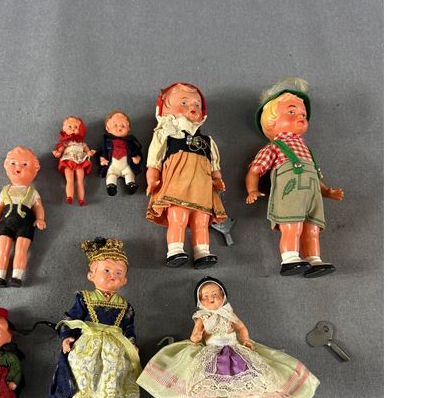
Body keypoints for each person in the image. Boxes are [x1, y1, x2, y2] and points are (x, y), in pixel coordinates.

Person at [137, 277, 319, 398]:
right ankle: (217, 396)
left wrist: (246, 339)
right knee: (209, 371)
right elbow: (195, 335)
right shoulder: (202, 317)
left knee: (246, 368)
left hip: (234, 347)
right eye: (205, 296)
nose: (211, 299)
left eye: (215, 295)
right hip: (212, 349)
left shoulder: (229, 314)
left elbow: (241, 327)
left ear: (223, 296)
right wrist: (195, 338)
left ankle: (243, 394)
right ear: (200, 301)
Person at [245, 77, 344, 277]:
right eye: (291, 112)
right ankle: (290, 259)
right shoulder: (275, 147)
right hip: (290, 194)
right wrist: (252, 189)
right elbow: (255, 170)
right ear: (272, 121)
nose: (300, 116)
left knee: (312, 228)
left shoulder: (306, 149)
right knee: (292, 226)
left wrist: (326, 191)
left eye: (303, 114)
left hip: (312, 195)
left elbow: (315, 174)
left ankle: (314, 260)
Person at [48, 237, 141, 398]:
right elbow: (72, 318)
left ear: (124, 280)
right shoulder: (84, 298)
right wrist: (67, 336)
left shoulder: (125, 306)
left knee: (112, 378)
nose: (112, 276)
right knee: (81, 374)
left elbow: (128, 327)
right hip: (87, 344)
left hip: (114, 348)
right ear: (91, 275)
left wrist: (132, 343)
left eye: (118, 273)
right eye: (106, 271)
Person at [146, 82, 227, 268]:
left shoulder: (208, 141)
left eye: (197, 104)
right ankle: (175, 250)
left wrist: (217, 178)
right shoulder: (167, 134)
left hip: (202, 187)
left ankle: (202, 253)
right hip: (177, 184)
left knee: (201, 220)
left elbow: (214, 165)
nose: (192, 107)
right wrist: (152, 178)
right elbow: (154, 159)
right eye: (184, 102)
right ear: (166, 110)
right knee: (178, 217)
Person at [0, 146, 46, 287]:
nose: (18, 168)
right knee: (3, 250)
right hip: (6, 223)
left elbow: (38, 206)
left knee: (21, 250)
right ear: (6, 166)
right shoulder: (5, 190)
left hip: (25, 224)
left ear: (35, 169)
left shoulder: (32, 191)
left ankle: (16, 277)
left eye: (24, 164)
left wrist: (40, 219)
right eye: (13, 163)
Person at [52, 116, 96, 206]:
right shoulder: (65, 143)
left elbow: (87, 151)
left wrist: (90, 153)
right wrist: (57, 153)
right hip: (68, 161)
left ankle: (81, 199)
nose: (73, 129)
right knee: (69, 180)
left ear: (80, 129)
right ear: (64, 129)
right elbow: (60, 152)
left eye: (76, 127)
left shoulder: (82, 143)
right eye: (70, 127)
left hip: (80, 161)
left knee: (80, 181)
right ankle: (69, 196)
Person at [99, 110, 143, 195]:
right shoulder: (107, 142)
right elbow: (103, 151)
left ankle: (131, 185)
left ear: (128, 128)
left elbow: (137, 150)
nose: (119, 128)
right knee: (111, 175)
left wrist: (138, 158)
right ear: (108, 128)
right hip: (112, 165)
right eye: (115, 125)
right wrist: (102, 159)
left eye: (123, 126)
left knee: (129, 173)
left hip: (127, 164)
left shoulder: (131, 142)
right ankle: (111, 186)